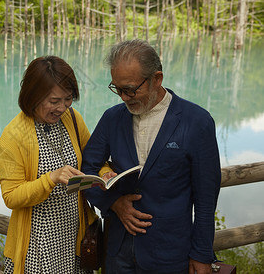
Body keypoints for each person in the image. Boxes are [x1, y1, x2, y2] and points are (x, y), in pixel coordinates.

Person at [81, 39, 221, 274]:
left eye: (131, 89)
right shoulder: (112, 118)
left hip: (171, 254)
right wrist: (113, 203)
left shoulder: (197, 122)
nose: (124, 97)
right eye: (117, 88)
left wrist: (202, 254)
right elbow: (88, 168)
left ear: (157, 79)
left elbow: (206, 198)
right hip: (117, 253)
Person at [0, 55, 108, 274]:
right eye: (54, 101)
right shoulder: (13, 137)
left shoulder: (72, 119)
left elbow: (91, 157)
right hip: (39, 243)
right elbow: (11, 196)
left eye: (67, 99)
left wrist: (104, 173)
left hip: (74, 232)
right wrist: (51, 179)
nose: (62, 108)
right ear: (32, 97)